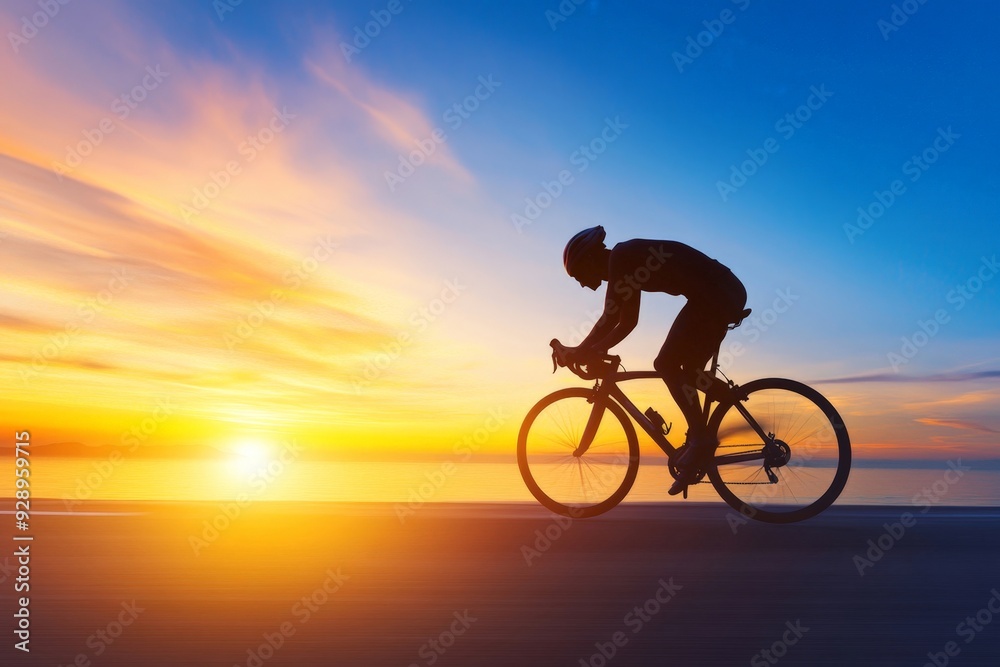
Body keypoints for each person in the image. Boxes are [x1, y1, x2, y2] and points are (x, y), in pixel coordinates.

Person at [557, 226, 748, 495]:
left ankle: (701, 440)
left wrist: (583, 351)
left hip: (717, 293)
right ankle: (714, 412)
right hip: (718, 293)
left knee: (667, 364)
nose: (582, 284)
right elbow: (627, 322)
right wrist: (587, 350)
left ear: (589, 258)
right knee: (688, 370)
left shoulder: (621, 257)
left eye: (578, 275)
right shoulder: (623, 265)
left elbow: (611, 319)